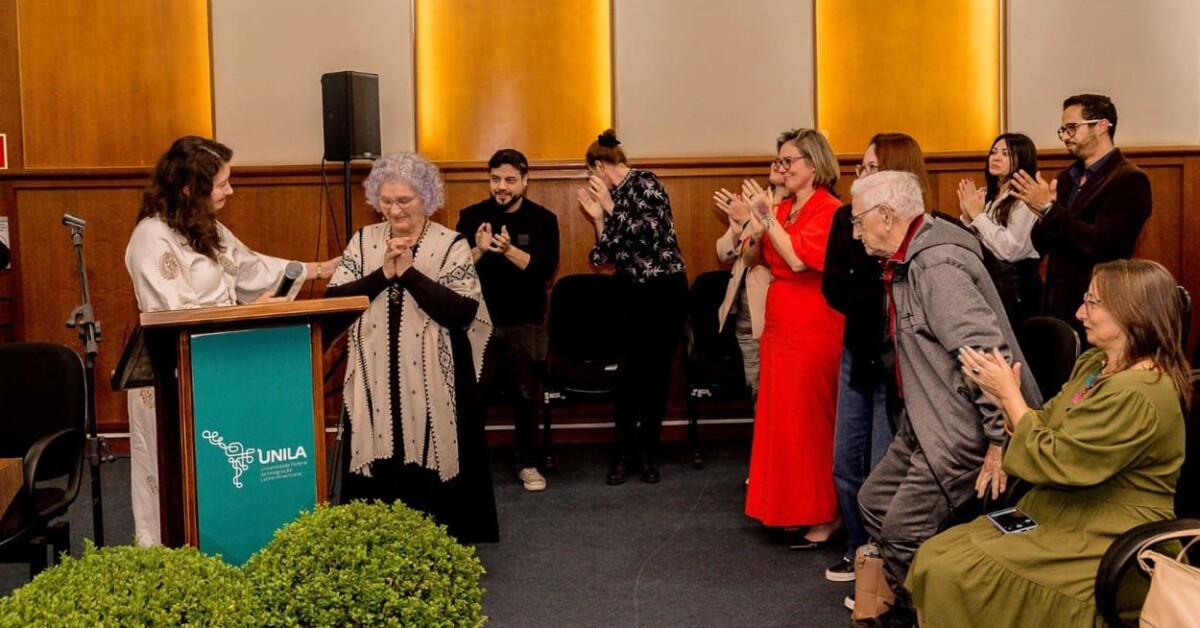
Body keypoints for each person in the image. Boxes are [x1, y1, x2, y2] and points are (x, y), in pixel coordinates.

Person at [910, 259, 1189, 628]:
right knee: (937, 554)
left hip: (1109, 532)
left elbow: (1058, 459)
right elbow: (1046, 423)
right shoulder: (1096, 365)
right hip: (1063, 507)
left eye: (1092, 303)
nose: (1079, 313)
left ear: (1132, 312)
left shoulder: (1140, 393)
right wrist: (1005, 398)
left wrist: (1010, 396)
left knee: (954, 571)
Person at [850, 171, 1043, 625]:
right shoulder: (908, 259)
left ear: (886, 216)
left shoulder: (935, 268)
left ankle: (937, 613)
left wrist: (998, 440)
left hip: (962, 432)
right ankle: (923, 601)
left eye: (858, 220)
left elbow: (987, 357)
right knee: (873, 503)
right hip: (926, 422)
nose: (856, 232)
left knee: (902, 532)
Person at [125, 136, 338, 546]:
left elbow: (250, 267)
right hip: (175, 380)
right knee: (182, 478)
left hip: (221, 371)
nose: (230, 191)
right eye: (222, 184)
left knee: (223, 473)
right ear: (190, 187)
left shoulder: (206, 226)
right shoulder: (152, 237)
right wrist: (247, 312)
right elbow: (174, 314)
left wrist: (318, 270)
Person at [325, 152, 498, 544]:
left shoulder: (451, 244)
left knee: (432, 468)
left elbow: (462, 311)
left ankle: (438, 543)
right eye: (386, 201)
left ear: (427, 198)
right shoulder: (363, 241)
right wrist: (383, 274)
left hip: (437, 383)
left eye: (404, 200)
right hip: (374, 380)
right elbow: (335, 304)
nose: (394, 209)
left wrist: (410, 275)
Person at [821, 133, 929, 583]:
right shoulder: (847, 218)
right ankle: (855, 548)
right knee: (846, 458)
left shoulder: (924, 233)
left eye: (871, 168)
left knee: (886, 461)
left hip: (899, 361)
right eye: (861, 167)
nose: (861, 176)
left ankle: (883, 559)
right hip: (858, 349)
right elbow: (833, 287)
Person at [741, 129, 844, 545]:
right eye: (779, 161)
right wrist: (755, 228)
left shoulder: (829, 210)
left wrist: (767, 219)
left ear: (814, 166)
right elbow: (753, 258)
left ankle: (826, 514)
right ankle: (790, 509)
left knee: (811, 423)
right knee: (782, 422)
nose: (781, 169)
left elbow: (800, 261)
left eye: (789, 161)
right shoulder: (782, 208)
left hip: (814, 325)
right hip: (780, 326)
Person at [577, 129, 687, 485]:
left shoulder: (646, 182)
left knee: (657, 374)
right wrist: (598, 219)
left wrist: (609, 208)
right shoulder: (613, 197)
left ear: (599, 166)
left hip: (663, 290)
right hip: (628, 293)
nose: (591, 180)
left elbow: (649, 233)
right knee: (626, 375)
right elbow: (604, 256)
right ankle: (624, 452)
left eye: (590, 172)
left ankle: (649, 453)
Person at [455, 148, 559, 492]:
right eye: (496, 179)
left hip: (525, 322)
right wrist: (480, 249)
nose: (502, 186)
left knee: (526, 395)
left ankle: (528, 463)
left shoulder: (543, 220)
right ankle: (466, 464)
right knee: (471, 395)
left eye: (510, 180)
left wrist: (508, 250)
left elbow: (544, 271)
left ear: (524, 182)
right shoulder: (471, 217)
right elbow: (455, 270)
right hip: (478, 323)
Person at [1014, 94, 1152, 341]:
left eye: (1072, 128)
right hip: (1056, 302)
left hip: (1100, 304)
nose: (1065, 136)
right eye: (1063, 130)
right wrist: (1042, 215)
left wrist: (1049, 210)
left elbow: (1105, 245)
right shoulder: (1066, 178)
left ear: (1101, 126)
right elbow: (1041, 245)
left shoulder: (1129, 180)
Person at [958, 133, 1043, 331]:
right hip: (989, 280)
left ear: (1022, 159)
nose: (995, 158)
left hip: (1017, 287)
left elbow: (1011, 250)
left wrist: (978, 217)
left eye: (1005, 154)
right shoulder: (987, 196)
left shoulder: (1025, 198)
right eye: (994, 152)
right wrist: (968, 219)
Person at [712, 168, 784, 397]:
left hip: (768, 312)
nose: (779, 167)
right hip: (743, 314)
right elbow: (723, 253)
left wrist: (746, 222)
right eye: (778, 161)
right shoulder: (757, 204)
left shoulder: (787, 211)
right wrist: (736, 230)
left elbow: (773, 254)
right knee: (756, 386)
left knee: (770, 388)